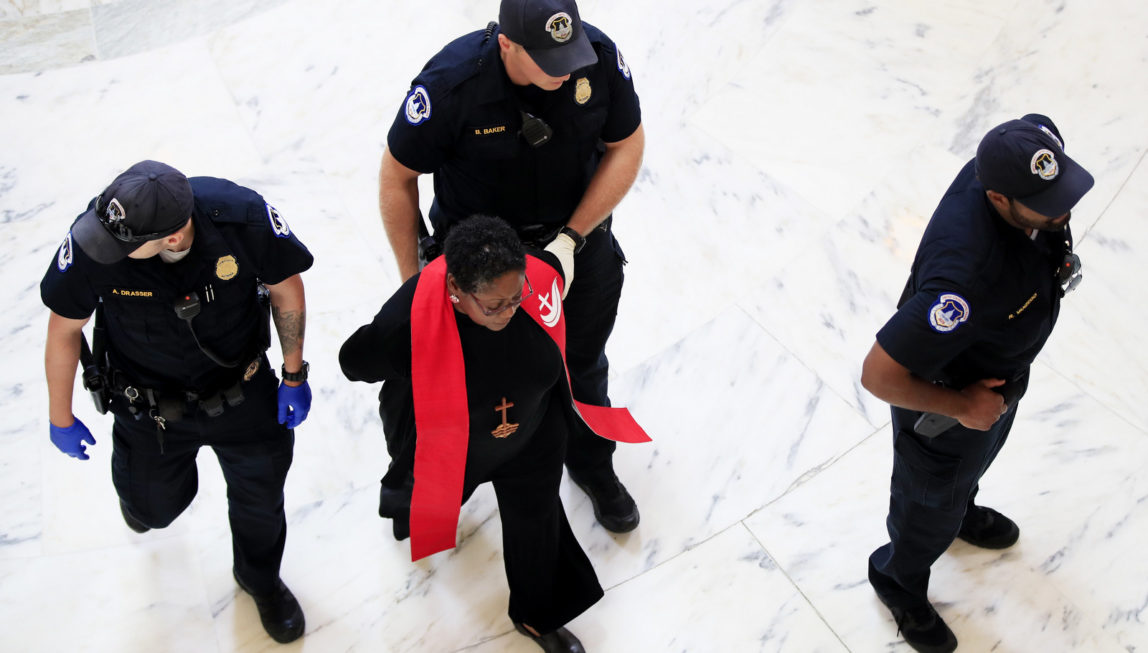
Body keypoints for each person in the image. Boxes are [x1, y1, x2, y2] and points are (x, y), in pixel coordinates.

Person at [377, 0, 646, 533]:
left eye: (568, 54)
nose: (565, 69)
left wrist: (571, 239)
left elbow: (627, 144)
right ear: (506, 43)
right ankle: (441, 489)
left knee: (583, 367)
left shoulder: (597, 56)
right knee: (468, 385)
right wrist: (415, 285)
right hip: (482, 270)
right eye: (548, 58)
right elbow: (396, 177)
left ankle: (593, 466)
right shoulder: (452, 85)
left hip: (576, 250)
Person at [340, 216, 647, 653]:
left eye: (515, 296)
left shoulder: (538, 279)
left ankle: (537, 617)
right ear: (456, 293)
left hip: (532, 434)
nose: (510, 310)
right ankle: (399, 505)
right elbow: (353, 362)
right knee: (420, 491)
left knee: (538, 526)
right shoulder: (412, 314)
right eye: (493, 305)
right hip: (451, 442)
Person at [41, 160, 314, 644]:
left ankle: (260, 579)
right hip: (148, 409)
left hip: (243, 394)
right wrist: (60, 416)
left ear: (171, 238)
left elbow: (285, 289)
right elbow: (64, 329)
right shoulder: (100, 235)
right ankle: (145, 506)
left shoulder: (240, 218)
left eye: (125, 248)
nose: (111, 251)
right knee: (153, 510)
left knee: (261, 500)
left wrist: (293, 374)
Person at [860, 115, 1094, 652]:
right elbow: (878, 373)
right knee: (925, 506)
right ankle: (897, 579)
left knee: (967, 474)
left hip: (996, 381)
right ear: (997, 198)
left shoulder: (1021, 158)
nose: (1065, 207)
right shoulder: (962, 280)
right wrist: (963, 405)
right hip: (949, 403)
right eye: (1048, 201)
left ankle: (960, 510)